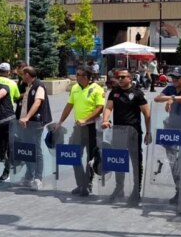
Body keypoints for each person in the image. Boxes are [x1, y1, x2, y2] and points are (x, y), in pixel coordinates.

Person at [52, 66, 105, 197]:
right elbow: (69, 106)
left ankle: (88, 184)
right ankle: (81, 183)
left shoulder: (97, 89)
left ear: (87, 77)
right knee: (73, 155)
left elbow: (100, 108)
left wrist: (85, 119)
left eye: (79, 75)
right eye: (76, 74)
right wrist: (60, 122)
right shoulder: (75, 88)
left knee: (90, 158)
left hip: (92, 128)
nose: (76, 76)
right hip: (78, 129)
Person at [101, 68, 151, 205]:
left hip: (133, 132)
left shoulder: (138, 93)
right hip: (118, 131)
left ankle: (136, 190)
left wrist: (148, 132)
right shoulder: (114, 92)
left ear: (130, 78)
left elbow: (147, 114)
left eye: (123, 77)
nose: (120, 79)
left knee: (136, 162)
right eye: (119, 77)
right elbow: (108, 107)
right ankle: (119, 188)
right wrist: (105, 120)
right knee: (118, 161)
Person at [153, 66, 181, 205]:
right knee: (173, 164)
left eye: (177, 77)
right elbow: (157, 98)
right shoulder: (170, 88)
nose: (174, 80)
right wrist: (171, 97)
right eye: (173, 77)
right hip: (171, 130)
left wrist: (173, 99)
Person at [18, 66, 52, 190]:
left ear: (27, 74)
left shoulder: (39, 86)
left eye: (23, 74)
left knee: (36, 150)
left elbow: (38, 102)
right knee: (28, 149)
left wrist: (27, 117)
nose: (22, 76)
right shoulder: (30, 86)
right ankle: (29, 176)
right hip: (27, 123)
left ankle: (38, 178)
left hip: (35, 123)